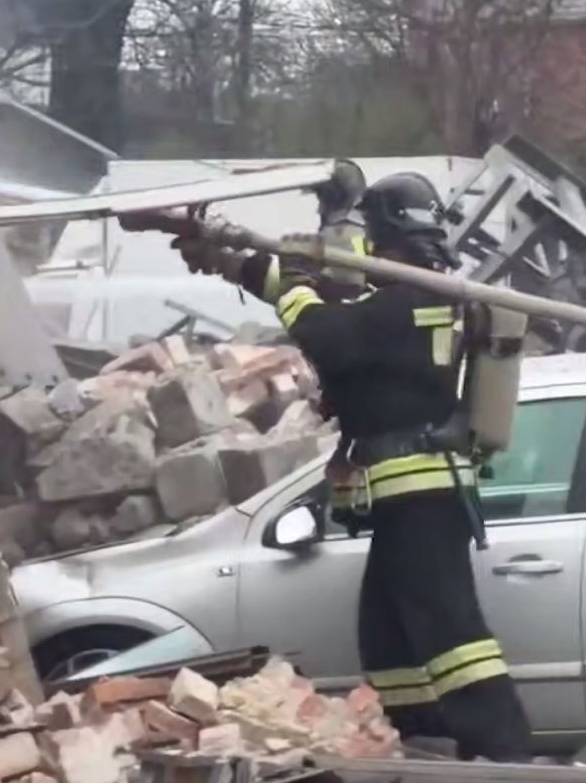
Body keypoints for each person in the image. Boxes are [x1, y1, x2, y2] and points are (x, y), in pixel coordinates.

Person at [171, 172, 533, 762]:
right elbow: (336, 301)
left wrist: (294, 283)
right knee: (385, 632)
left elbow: (325, 330)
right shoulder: (414, 292)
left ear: (382, 231)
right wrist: (227, 262)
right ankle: (420, 738)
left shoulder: (411, 300)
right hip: (404, 498)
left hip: (422, 492)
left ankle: (507, 754)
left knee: (453, 635)